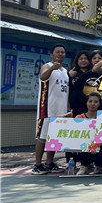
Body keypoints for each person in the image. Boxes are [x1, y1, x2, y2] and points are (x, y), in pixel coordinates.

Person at [32, 44, 70, 175]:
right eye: (57, 52)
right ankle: (37, 165)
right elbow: (43, 77)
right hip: (47, 110)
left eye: (62, 52)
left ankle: (49, 163)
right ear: (51, 54)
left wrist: (68, 108)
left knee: (54, 138)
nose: (60, 54)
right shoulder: (47, 66)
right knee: (42, 138)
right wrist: (52, 68)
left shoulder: (65, 71)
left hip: (61, 111)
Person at [73, 92, 102, 175]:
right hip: (85, 146)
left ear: (99, 104)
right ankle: (84, 165)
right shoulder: (79, 118)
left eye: (96, 102)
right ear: (86, 103)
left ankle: (100, 165)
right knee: (80, 146)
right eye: (90, 101)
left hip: (101, 146)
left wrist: (96, 146)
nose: (93, 104)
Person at [68, 50, 100, 119]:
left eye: (85, 59)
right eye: (81, 59)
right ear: (77, 60)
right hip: (76, 103)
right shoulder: (72, 73)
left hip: (91, 104)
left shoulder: (94, 73)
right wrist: (69, 76)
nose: (83, 60)